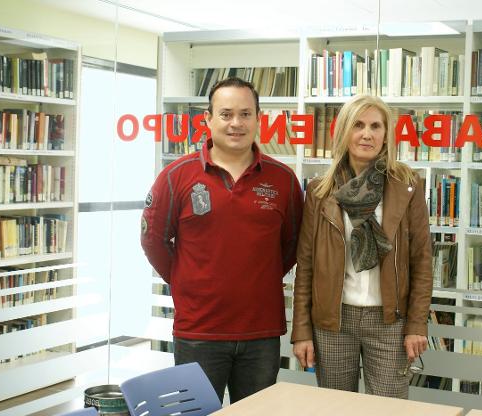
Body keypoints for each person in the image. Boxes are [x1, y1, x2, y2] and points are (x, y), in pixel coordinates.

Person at [141, 77, 303, 403]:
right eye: (226, 114)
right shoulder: (177, 176)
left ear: (259, 119)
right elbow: (154, 241)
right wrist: (187, 279)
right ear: (208, 119)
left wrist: (261, 275)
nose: (236, 123)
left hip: (261, 332)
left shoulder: (283, 180)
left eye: (245, 114)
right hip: (199, 331)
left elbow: (292, 246)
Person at [291, 94, 432, 398]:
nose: (367, 133)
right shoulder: (320, 192)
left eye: (375, 126)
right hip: (333, 320)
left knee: (389, 409)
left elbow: (422, 261)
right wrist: (301, 331)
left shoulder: (407, 186)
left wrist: (417, 324)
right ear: (344, 131)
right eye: (358, 125)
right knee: (337, 407)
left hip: (389, 321)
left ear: (385, 135)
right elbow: (306, 267)